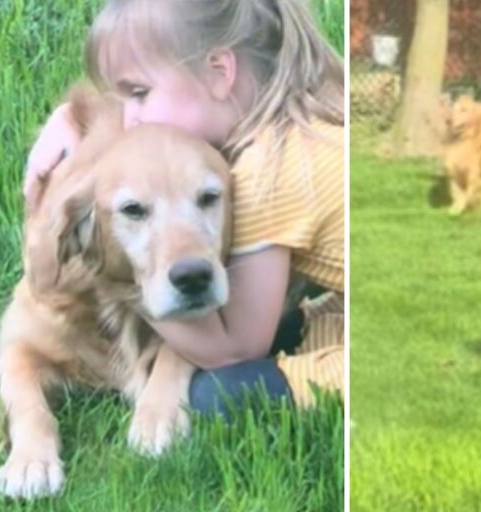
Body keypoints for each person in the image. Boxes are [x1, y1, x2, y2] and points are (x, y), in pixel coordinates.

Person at [24, 0, 344, 416]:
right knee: (302, 323)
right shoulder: (297, 116)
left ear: (219, 73)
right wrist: (70, 117)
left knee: (220, 393)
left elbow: (237, 347)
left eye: (138, 94)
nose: (130, 120)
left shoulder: (268, 175)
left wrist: (117, 276)